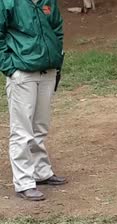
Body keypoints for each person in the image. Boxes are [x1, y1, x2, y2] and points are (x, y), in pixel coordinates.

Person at [0, 0, 67, 201]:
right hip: (23, 71)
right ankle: (24, 181)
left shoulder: (48, 1)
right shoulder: (8, 2)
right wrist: (10, 67)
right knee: (21, 129)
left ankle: (41, 171)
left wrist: (56, 55)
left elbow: (57, 28)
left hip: (48, 70)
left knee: (41, 125)